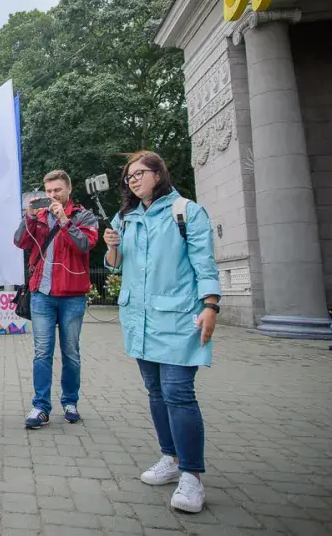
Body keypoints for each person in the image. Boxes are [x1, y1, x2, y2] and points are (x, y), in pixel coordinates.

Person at [103, 151, 220, 514]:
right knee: (155, 392)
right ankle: (169, 458)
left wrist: (211, 306)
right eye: (128, 177)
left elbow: (204, 262)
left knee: (178, 393)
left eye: (139, 174)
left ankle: (192, 476)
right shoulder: (125, 217)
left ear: (159, 174)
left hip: (180, 319)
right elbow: (114, 267)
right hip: (139, 320)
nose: (133, 181)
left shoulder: (186, 211)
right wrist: (111, 247)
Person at [13, 170, 98, 428]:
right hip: (41, 294)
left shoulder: (83, 215)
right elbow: (19, 242)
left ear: (68, 190)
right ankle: (40, 406)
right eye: (48, 192)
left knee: (71, 352)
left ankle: (70, 401)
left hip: (72, 295)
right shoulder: (38, 216)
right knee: (42, 352)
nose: (52, 196)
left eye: (57, 191)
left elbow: (85, 244)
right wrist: (28, 216)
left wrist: (64, 220)